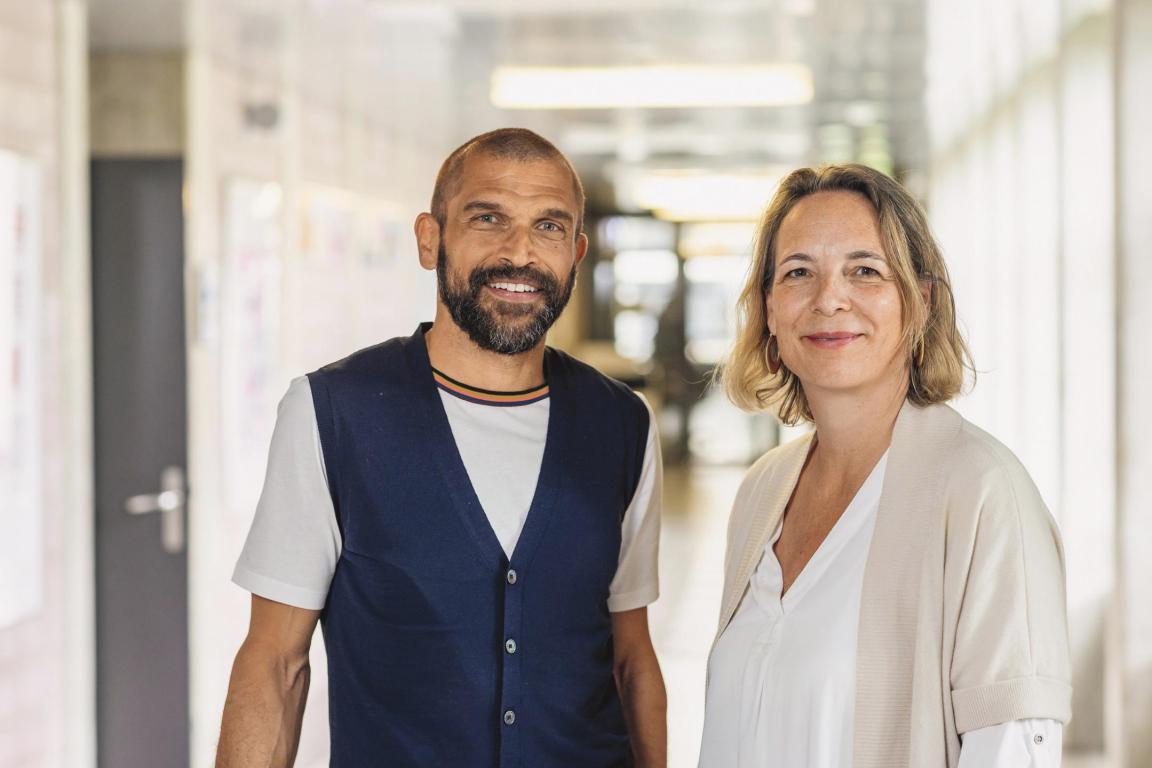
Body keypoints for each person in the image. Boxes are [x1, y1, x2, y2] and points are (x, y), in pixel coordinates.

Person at [216, 128, 667, 767]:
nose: (520, 252)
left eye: (549, 227)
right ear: (431, 239)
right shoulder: (333, 414)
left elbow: (632, 660)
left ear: (576, 252)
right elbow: (275, 663)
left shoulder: (622, 423)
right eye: (488, 218)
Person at [699, 164, 1071, 767]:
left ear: (918, 300)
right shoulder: (763, 491)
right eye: (798, 273)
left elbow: (1012, 748)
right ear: (769, 307)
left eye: (864, 270)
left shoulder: (981, 493)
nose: (829, 299)